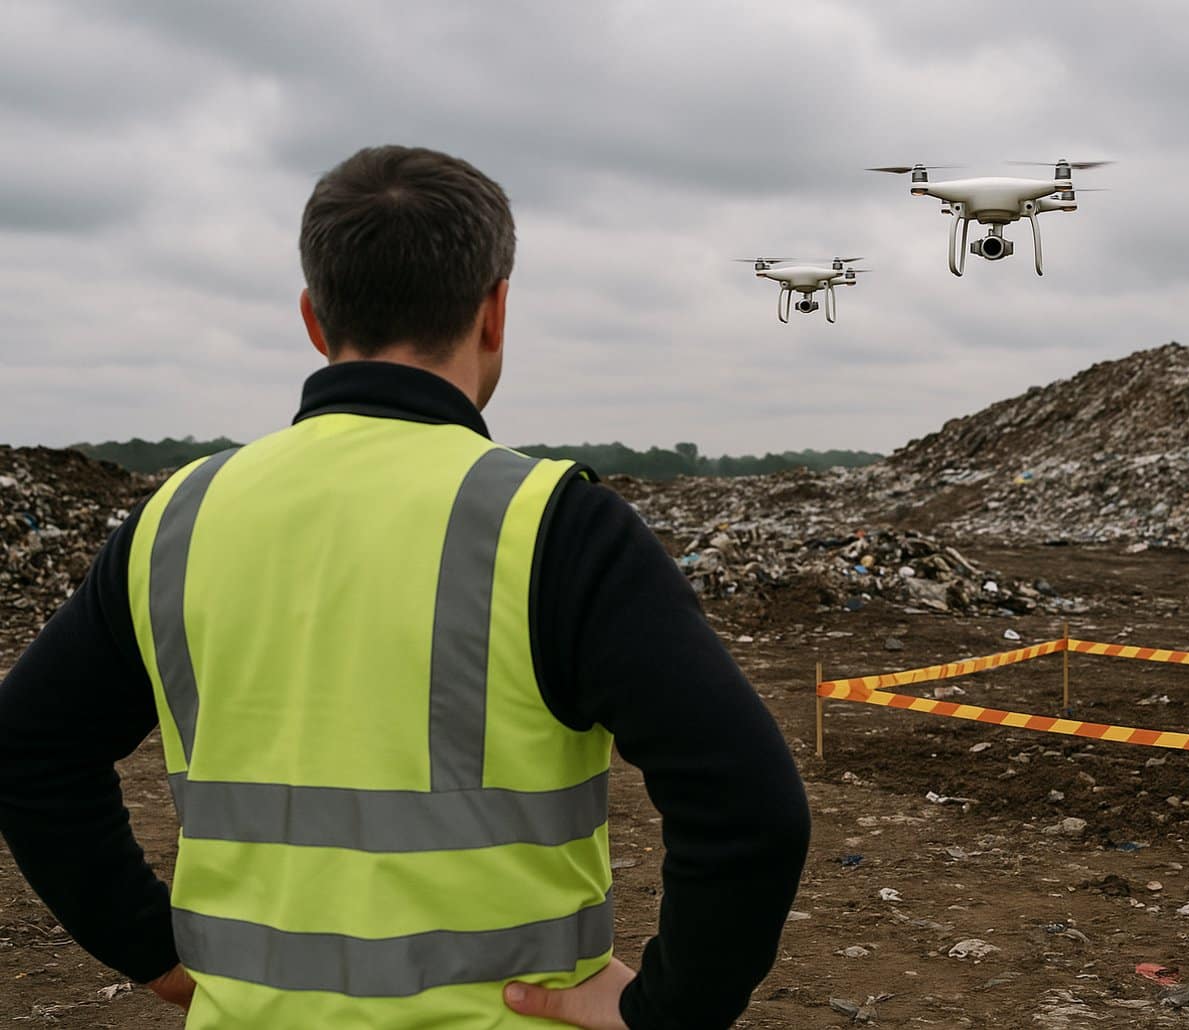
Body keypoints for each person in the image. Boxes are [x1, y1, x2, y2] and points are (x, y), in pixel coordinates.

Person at [0, 145, 811, 1029]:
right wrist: (669, 1011)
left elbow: (28, 748)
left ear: (315, 318)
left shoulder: (177, 519)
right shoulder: (552, 526)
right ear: (495, 310)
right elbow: (749, 806)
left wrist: (145, 946)